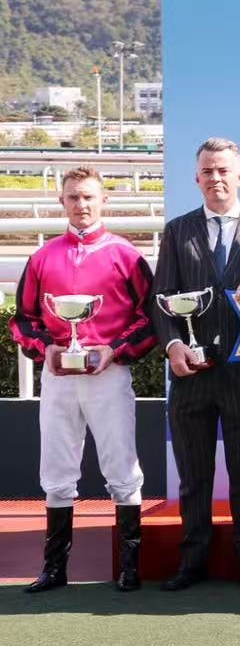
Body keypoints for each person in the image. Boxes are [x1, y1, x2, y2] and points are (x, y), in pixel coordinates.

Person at [13, 167, 157, 593]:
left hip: (109, 373)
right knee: (56, 468)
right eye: (74, 197)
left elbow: (150, 317)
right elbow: (24, 319)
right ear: (62, 201)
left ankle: (130, 567)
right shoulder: (42, 257)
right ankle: (54, 569)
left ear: (103, 201)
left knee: (121, 465)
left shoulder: (126, 255)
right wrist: (47, 349)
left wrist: (114, 350)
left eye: (89, 197)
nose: (81, 204)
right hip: (58, 374)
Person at [151, 139, 240, 591]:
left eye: (224, 170)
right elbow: (161, 298)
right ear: (196, 178)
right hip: (190, 374)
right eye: (208, 171)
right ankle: (193, 559)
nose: (216, 178)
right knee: (194, 476)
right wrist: (173, 347)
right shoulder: (177, 230)